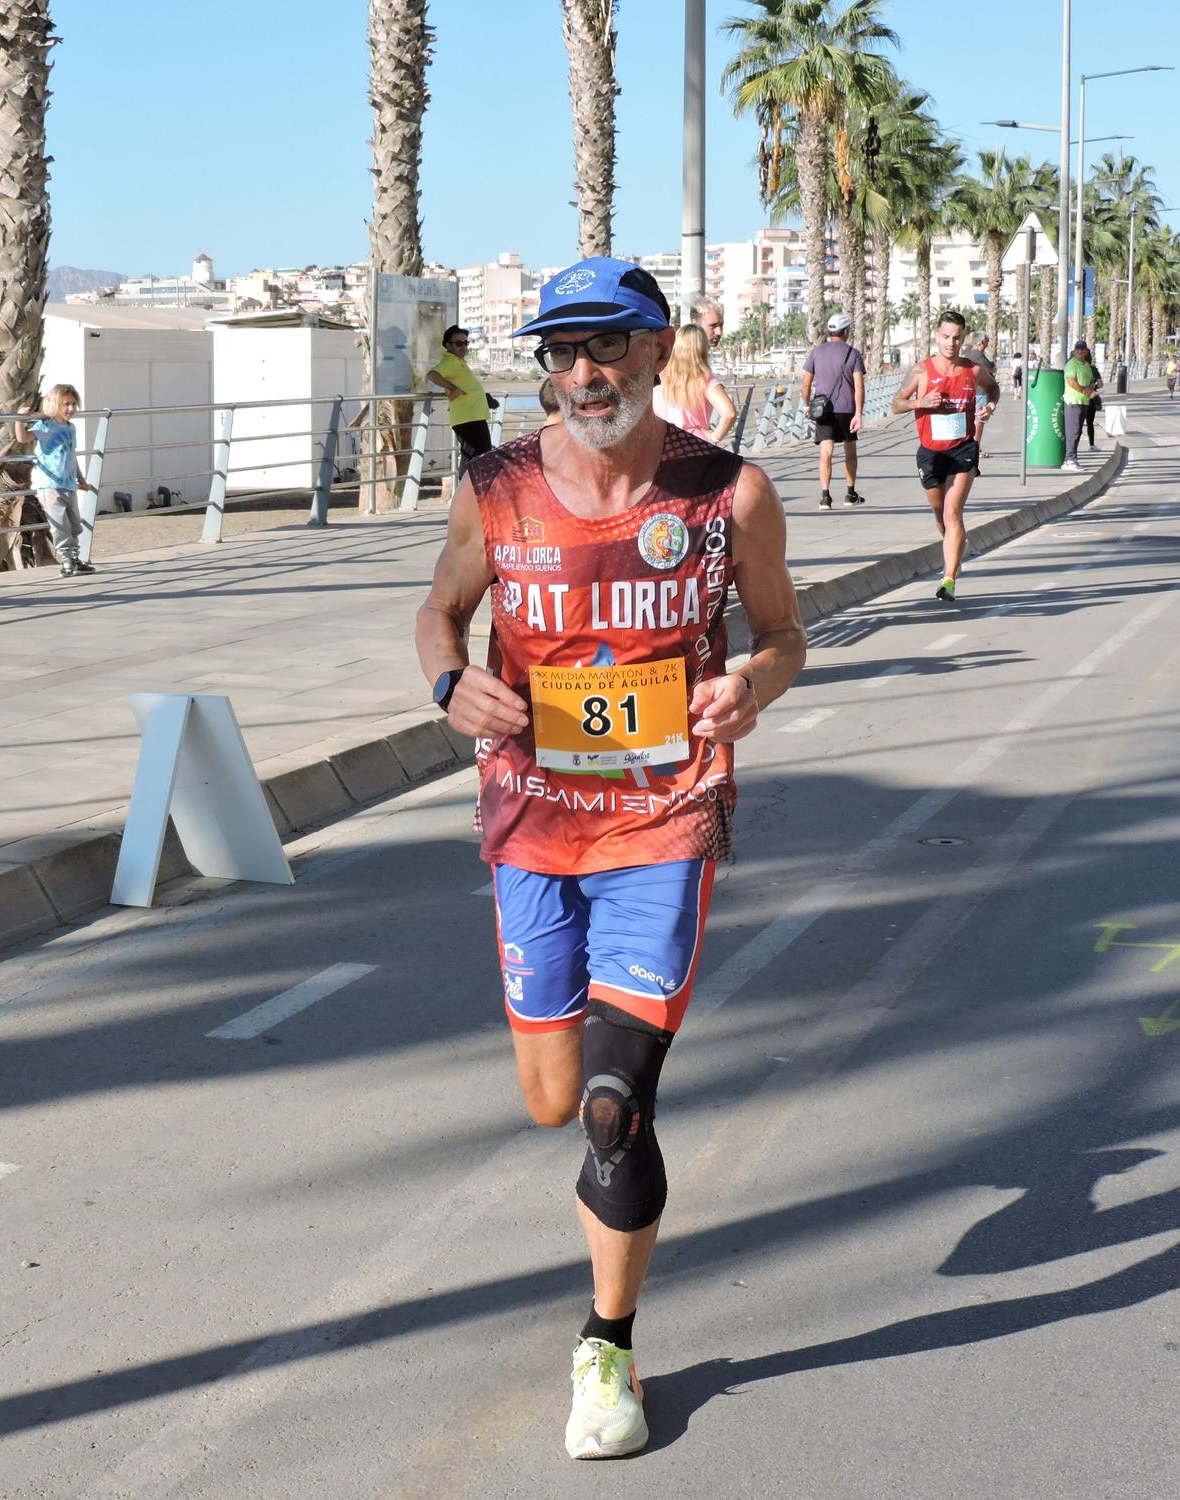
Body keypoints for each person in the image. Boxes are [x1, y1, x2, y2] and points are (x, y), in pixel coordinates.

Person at [415, 256, 804, 1460]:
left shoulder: (726, 494)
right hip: (530, 817)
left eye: (606, 346)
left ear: (656, 348)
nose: (581, 373)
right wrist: (447, 681)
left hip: (662, 819)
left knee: (608, 1107)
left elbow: (784, 635)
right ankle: (599, 1138)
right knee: (548, 1101)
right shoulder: (494, 486)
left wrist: (749, 688)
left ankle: (607, 1348)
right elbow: (437, 610)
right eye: (559, 353)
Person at [891, 309, 997, 602]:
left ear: (963, 340)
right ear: (938, 337)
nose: (951, 343)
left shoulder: (972, 370)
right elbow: (895, 404)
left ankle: (948, 579)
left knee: (953, 512)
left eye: (957, 338)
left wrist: (990, 407)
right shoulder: (921, 370)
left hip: (963, 449)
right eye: (946, 337)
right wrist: (921, 402)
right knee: (940, 514)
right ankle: (954, 549)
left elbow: (993, 389)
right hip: (930, 453)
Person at [14, 384, 95, 577]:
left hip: (68, 483)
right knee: (59, 525)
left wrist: (80, 477)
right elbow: (23, 438)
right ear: (54, 404)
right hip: (50, 485)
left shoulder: (71, 428)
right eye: (66, 404)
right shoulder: (46, 426)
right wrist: (19, 419)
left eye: (74, 404)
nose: (71, 409)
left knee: (74, 524)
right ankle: (67, 560)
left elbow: (71, 455)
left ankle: (75, 558)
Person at [801, 311, 866, 509]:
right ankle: (850, 493)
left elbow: (806, 384)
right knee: (850, 451)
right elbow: (859, 386)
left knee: (825, 453)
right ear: (846, 331)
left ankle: (825, 497)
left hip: (823, 410)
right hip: (846, 410)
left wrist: (806, 405)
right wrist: (858, 414)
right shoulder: (853, 353)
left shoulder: (816, 352)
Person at [651, 323, 736, 445]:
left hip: (662, 444)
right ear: (701, 349)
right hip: (694, 445)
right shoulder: (705, 380)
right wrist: (714, 437)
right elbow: (729, 413)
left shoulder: (659, 375)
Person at [428, 325, 496, 466]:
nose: (463, 346)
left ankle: (473, 486)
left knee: (481, 456)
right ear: (448, 345)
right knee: (473, 458)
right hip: (467, 418)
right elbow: (432, 375)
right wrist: (453, 388)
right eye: (458, 343)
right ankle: (466, 487)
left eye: (466, 343)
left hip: (475, 417)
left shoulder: (459, 362)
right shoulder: (450, 361)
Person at [1058, 340, 1098, 471]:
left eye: (1082, 349)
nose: (1080, 351)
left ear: (1086, 351)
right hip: (1073, 401)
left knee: (1078, 431)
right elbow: (1071, 381)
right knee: (1073, 432)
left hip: (1084, 402)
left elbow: (1092, 380)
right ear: (1074, 351)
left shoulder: (1086, 365)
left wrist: (1091, 389)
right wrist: (1084, 390)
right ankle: (1069, 459)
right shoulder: (1071, 365)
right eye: (1078, 349)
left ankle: (1073, 458)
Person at [966, 332, 998, 474]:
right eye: (986, 342)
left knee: (975, 421)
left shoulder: (968, 353)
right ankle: (975, 448)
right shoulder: (977, 355)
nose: (987, 345)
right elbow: (990, 367)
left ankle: (974, 447)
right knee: (979, 422)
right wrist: (992, 367)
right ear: (980, 343)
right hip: (980, 391)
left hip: (974, 391)